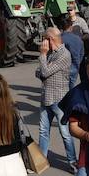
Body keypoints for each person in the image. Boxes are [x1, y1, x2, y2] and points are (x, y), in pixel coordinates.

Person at [35, 27, 77, 166]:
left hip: (59, 100)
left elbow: (45, 72)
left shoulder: (64, 54)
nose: (42, 43)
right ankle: (42, 161)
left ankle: (72, 162)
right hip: (46, 97)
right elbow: (38, 71)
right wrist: (44, 64)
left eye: (44, 39)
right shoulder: (51, 53)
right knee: (43, 131)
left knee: (65, 133)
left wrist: (42, 55)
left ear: (50, 39)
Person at [60, 21, 85, 90]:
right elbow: (82, 53)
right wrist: (78, 62)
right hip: (75, 66)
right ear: (71, 28)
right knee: (71, 86)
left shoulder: (60, 39)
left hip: (63, 67)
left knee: (62, 88)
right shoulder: (78, 39)